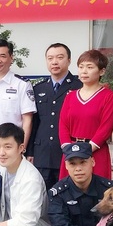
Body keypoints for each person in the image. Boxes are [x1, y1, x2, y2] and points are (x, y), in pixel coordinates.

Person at [27, 43, 82, 189]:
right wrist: (30, 151)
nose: (54, 62)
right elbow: (34, 123)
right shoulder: (39, 88)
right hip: (41, 153)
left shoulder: (79, 87)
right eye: (50, 58)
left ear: (69, 60)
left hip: (66, 152)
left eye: (60, 57)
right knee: (41, 197)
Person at [58, 50, 113, 180]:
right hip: (70, 153)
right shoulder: (71, 96)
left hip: (96, 153)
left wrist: (85, 151)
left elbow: (106, 128)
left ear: (101, 71)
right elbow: (63, 124)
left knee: (97, 195)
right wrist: (69, 148)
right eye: (81, 67)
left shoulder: (108, 96)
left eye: (90, 67)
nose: (84, 71)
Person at [0, 39, 37, 166]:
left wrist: (22, 148)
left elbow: (27, 120)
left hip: (11, 149)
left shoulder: (22, 85)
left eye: (2, 56)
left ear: (11, 58)